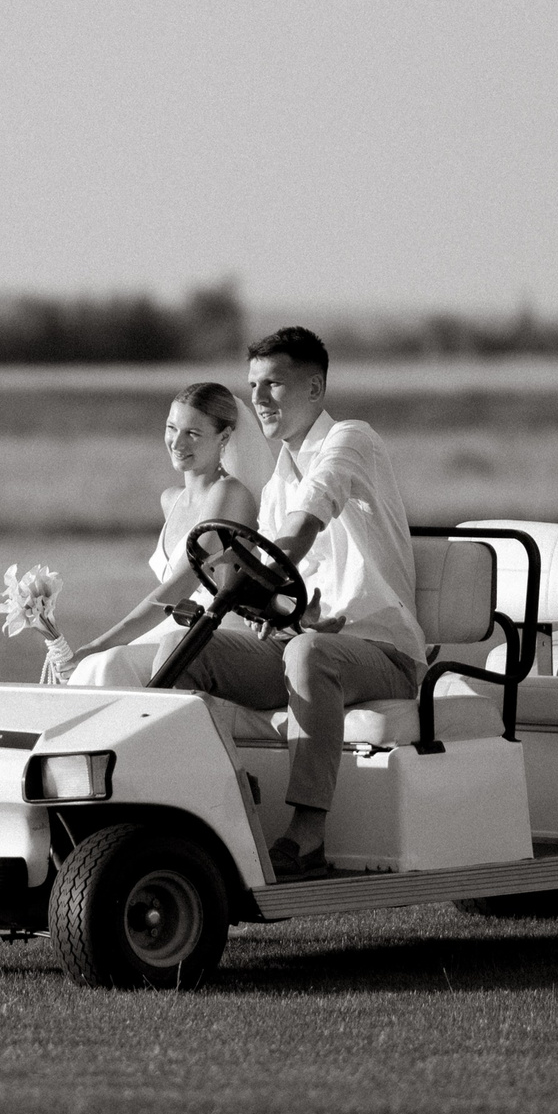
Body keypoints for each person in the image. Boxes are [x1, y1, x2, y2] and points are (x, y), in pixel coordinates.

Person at [159, 327, 423, 878]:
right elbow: (292, 592)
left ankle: (307, 837)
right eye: (253, 385)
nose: (257, 400)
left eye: (273, 385)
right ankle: (221, 794)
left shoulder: (351, 440)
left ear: (314, 388)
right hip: (300, 644)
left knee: (309, 654)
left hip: (383, 654)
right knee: (181, 651)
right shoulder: (278, 477)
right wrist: (272, 610)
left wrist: (265, 587)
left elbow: (303, 526)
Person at [64, 382, 260, 687]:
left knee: (110, 661)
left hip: (217, 630)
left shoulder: (229, 494)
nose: (177, 442)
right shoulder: (171, 499)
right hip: (176, 626)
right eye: (172, 428)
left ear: (224, 436)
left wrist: (102, 641)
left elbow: (183, 582)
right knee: (95, 664)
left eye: (192, 433)